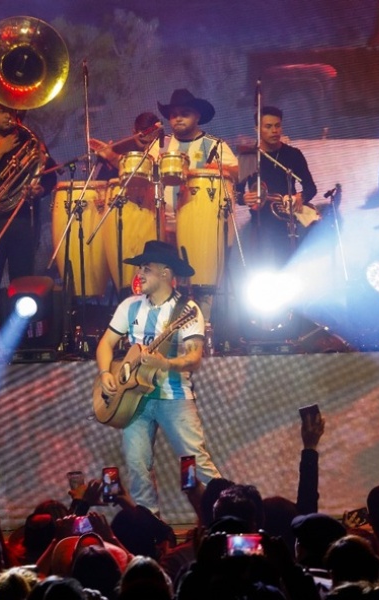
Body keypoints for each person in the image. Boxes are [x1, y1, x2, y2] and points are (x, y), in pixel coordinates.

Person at [94, 239, 221, 514]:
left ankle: (230, 513)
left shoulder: (187, 311)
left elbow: (194, 357)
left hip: (174, 397)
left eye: (146, 268)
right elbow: (105, 344)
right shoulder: (130, 306)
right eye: (140, 268)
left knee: (197, 461)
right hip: (133, 399)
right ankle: (149, 527)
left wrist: (166, 363)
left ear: (165, 272)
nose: (139, 274)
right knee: (137, 465)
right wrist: (106, 373)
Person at [0, 96, 57, 360]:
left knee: (22, 282)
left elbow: (51, 175)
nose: (8, 116)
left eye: (12, 111)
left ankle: (20, 341)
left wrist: (40, 189)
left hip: (22, 220)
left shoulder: (30, 141)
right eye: (2, 110)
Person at [154, 89, 239, 321]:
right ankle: (169, 335)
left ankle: (203, 331)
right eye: (173, 115)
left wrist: (213, 169)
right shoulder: (160, 147)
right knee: (170, 286)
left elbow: (234, 171)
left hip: (201, 228)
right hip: (166, 227)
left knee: (201, 284)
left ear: (197, 117)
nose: (177, 119)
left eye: (185, 113)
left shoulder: (214, 145)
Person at [238, 105, 318, 268]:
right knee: (261, 269)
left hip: (287, 223)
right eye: (268, 127)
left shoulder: (293, 154)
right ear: (257, 129)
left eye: (277, 125)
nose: (274, 130)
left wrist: (299, 197)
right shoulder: (249, 156)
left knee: (288, 266)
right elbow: (236, 194)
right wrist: (243, 197)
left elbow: (310, 187)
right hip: (260, 224)